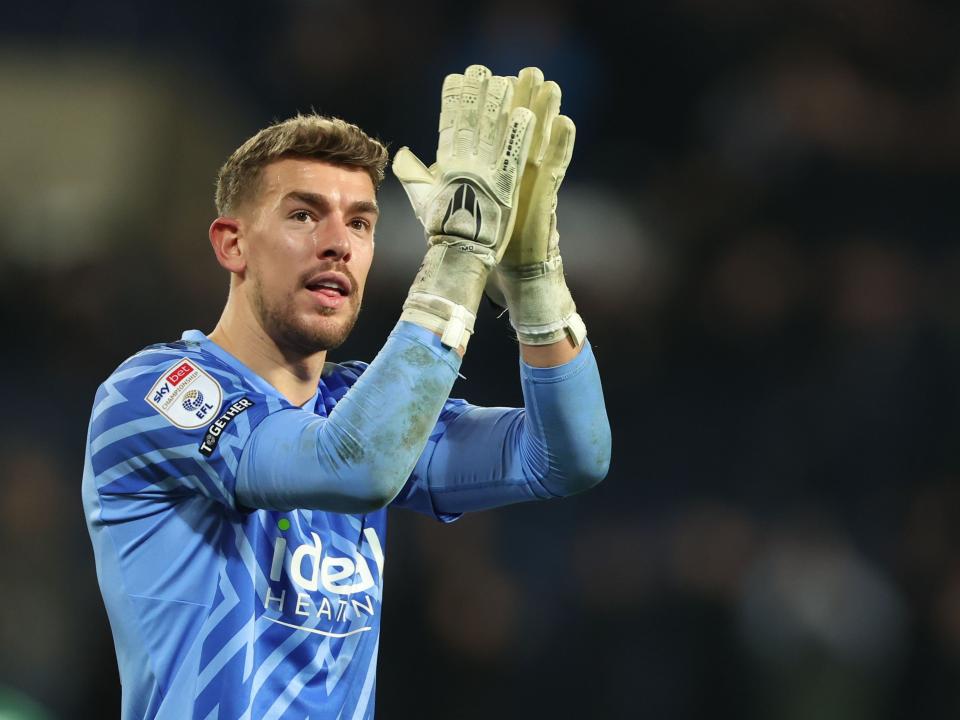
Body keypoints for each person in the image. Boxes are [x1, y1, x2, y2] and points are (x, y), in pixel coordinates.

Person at [82, 63, 611, 719]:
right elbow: (351, 465)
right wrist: (458, 258)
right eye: (304, 215)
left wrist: (536, 287)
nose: (337, 243)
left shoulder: (358, 404)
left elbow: (566, 458)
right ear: (233, 243)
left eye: (360, 223)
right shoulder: (154, 393)